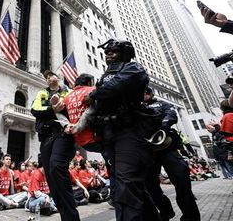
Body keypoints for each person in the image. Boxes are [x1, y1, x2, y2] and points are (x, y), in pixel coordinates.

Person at [86, 39, 160, 221]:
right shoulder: (105, 75)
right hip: (110, 133)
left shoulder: (134, 68)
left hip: (131, 131)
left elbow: (114, 87)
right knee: (127, 184)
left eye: (114, 51)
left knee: (126, 184)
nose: (108, 53)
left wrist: (94, 93)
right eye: (108, 51)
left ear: (126, 53)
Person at [143, 87, 200, 221]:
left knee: (181, 178)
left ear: (150, 94)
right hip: (147, 151)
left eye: (145, 93)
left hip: (166, 147)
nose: (142, 95)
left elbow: (172, 115)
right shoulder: (136, 107)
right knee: (149, 184)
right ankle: (166, 210)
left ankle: (190, 217)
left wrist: (162, 125)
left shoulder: (163, 104)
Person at [31, 70, 81, 221]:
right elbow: (35, 110)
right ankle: (66, 217)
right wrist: (51, 109)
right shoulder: (42, 93)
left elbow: (76, 109)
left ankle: (72, 217)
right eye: (46, 77)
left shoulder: (69, 92)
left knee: (56, 166)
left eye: (50, 76)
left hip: (63, 134)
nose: (48, 79)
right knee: (52, 177)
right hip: (46, 138)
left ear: (57, 78)